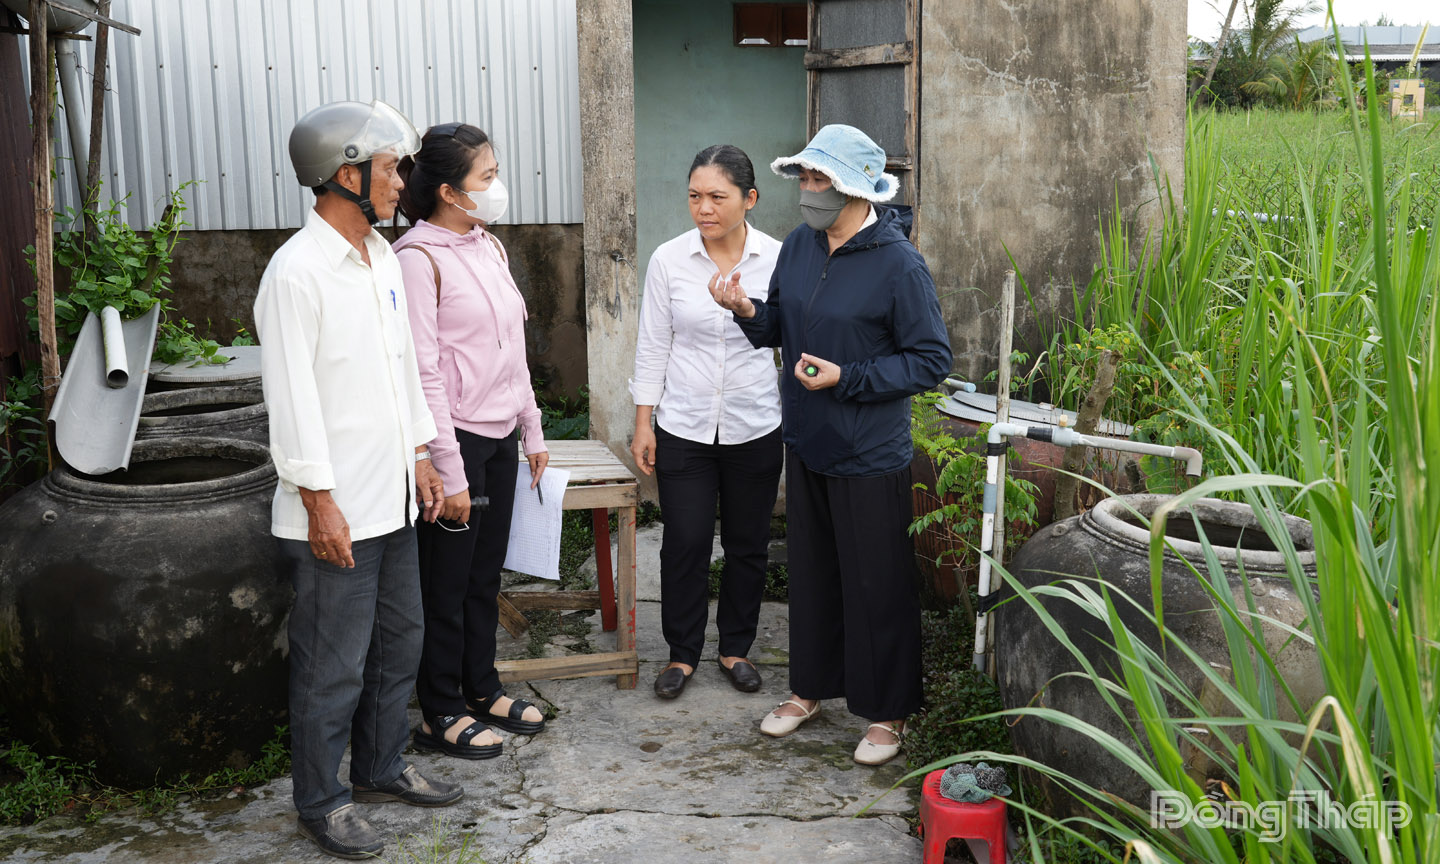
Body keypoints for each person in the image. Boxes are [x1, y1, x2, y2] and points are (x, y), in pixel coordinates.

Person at [255, 99, 463, 861]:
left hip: (394, 498)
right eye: (392, 167)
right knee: (331, 666)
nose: (404, 181)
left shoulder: (380, 256)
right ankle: (323, 800)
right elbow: (293, 400)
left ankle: (380, 768)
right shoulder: (297, 273)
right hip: (335, 509)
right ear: (346, 174)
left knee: (397, 646)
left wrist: (421, 457)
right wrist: (319, 502)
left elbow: (401, 370)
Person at [711, 124, 952, 766]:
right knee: (813, 577)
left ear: (853, 187)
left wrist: (853, 378)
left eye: (821, 181)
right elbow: (780, 325)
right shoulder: (799, 247)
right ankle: (808, 690)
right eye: (807, 179)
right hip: (810, 441)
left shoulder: (897, 262)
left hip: (869, 452)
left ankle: (887, 713)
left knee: (876, 584)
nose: (809, 192)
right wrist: (745, 312)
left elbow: (931, 361)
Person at [392, 122, 550, 759]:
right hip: (454, 442)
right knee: (446, 585)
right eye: (487, 176)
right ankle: (440, 709)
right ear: (451, 192)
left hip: (500, 435)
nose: (496, 185)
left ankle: (481, 687)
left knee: (485, 576)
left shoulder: (489, 247)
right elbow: (424, 370)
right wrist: (449, 471)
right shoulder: (417, 258)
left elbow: (513, 349)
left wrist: (532, 425)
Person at [630, 145, 784, 700]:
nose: (704, 208)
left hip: (755, 423)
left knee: (747, 544)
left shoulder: (778, 259)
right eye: (695, 196)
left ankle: (735, 647)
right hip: (685, 426)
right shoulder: (669, 260)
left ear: (750, 199)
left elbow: (788, 337)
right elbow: (653, 346)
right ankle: (682, 653)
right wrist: (644, 422)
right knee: (686, 541)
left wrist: (745, 310)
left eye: (718, 197)